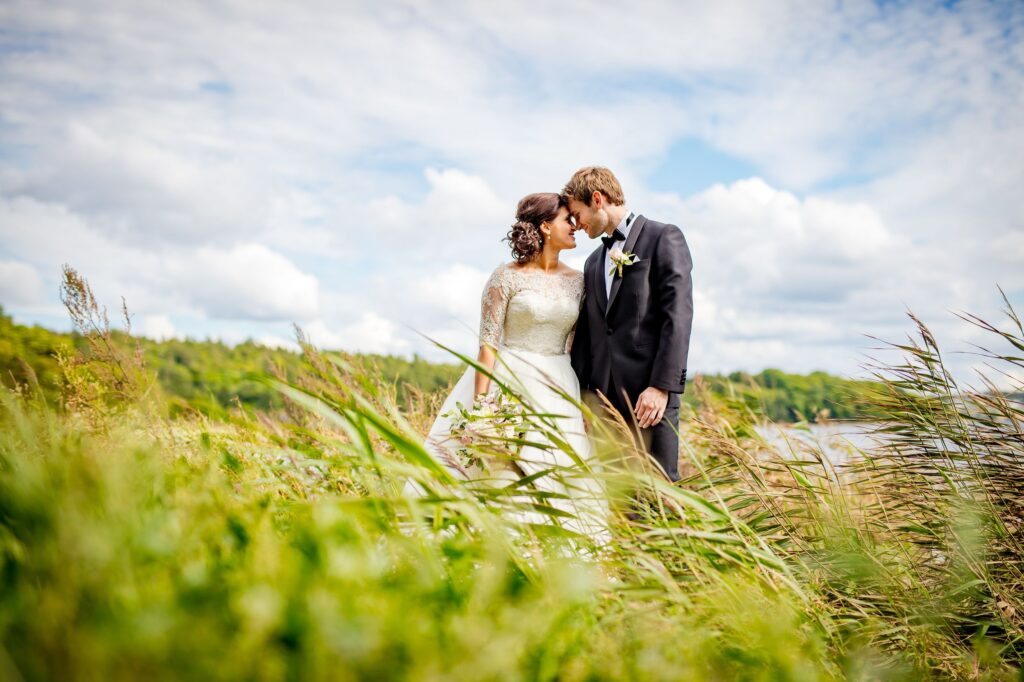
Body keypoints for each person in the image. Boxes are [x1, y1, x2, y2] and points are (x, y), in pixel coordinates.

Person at [416, 192, 608, 540]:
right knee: (497, 474)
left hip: (559, 385)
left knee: (561, 472)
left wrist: (583, 398)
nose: (575, 226)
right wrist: (482, 409)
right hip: (510, 382)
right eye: (569, 220)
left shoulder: (579, 281)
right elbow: (487, 346)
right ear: (546, 226)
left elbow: (577, 344)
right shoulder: (505, 277)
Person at [564, 167, 693, 483]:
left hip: (650, 401)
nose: (576, 225)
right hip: (604, 406)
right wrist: (586, 400)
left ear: (597, 199)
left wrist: (661, 387)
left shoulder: (664, 237)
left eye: (578, 214)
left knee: (660, 495)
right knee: (617, 500)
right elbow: (589, 336)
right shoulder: (592, 262)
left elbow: (677, 317)